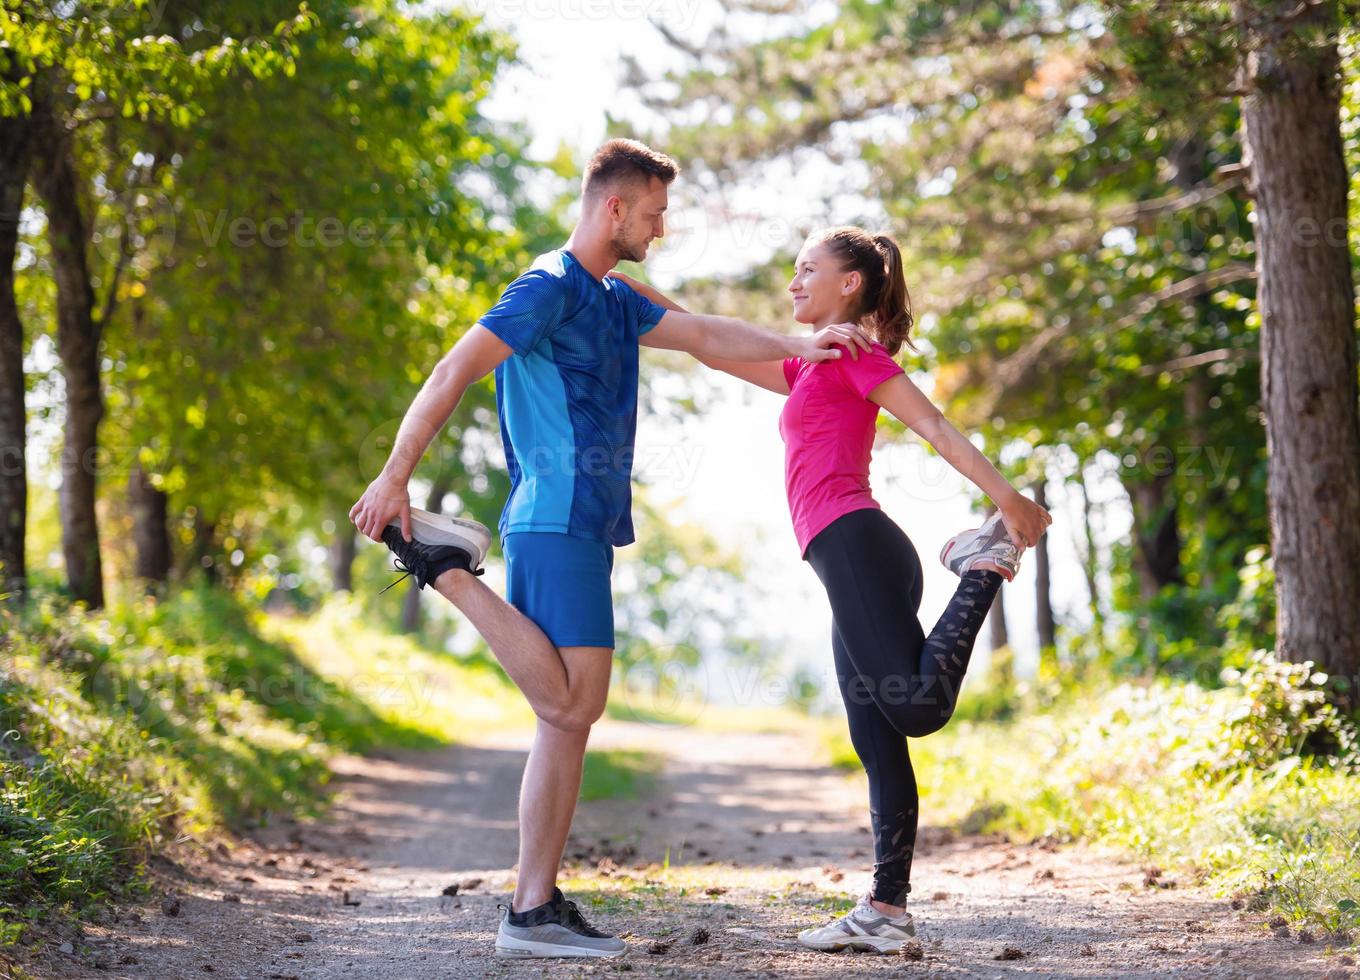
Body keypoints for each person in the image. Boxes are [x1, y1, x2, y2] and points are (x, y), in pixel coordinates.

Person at [347, 139, 867, 959]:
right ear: (615, 207)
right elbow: (452, 369)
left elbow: (703, 332)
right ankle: (441, 568)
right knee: (567, 707)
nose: (661, 229)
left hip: (586, 521)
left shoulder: (614, 297)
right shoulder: (548, 287)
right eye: (655, 214)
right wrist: (394, 477)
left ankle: (534, 908)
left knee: (572, 716)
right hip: (551, 515)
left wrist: (796, 349)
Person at [612, 224, 1052, 954]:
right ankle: (886, 909)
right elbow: (706, 345)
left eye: (806, 270)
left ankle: (984, 565)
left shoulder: (857, 353)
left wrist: (1009, 502)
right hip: (846, 557)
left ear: (850, 284)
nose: (793, 283)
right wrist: (618, 287)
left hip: (857, 544)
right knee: (877, 740)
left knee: (914, 709)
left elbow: (935, 426)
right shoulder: (810, 363)